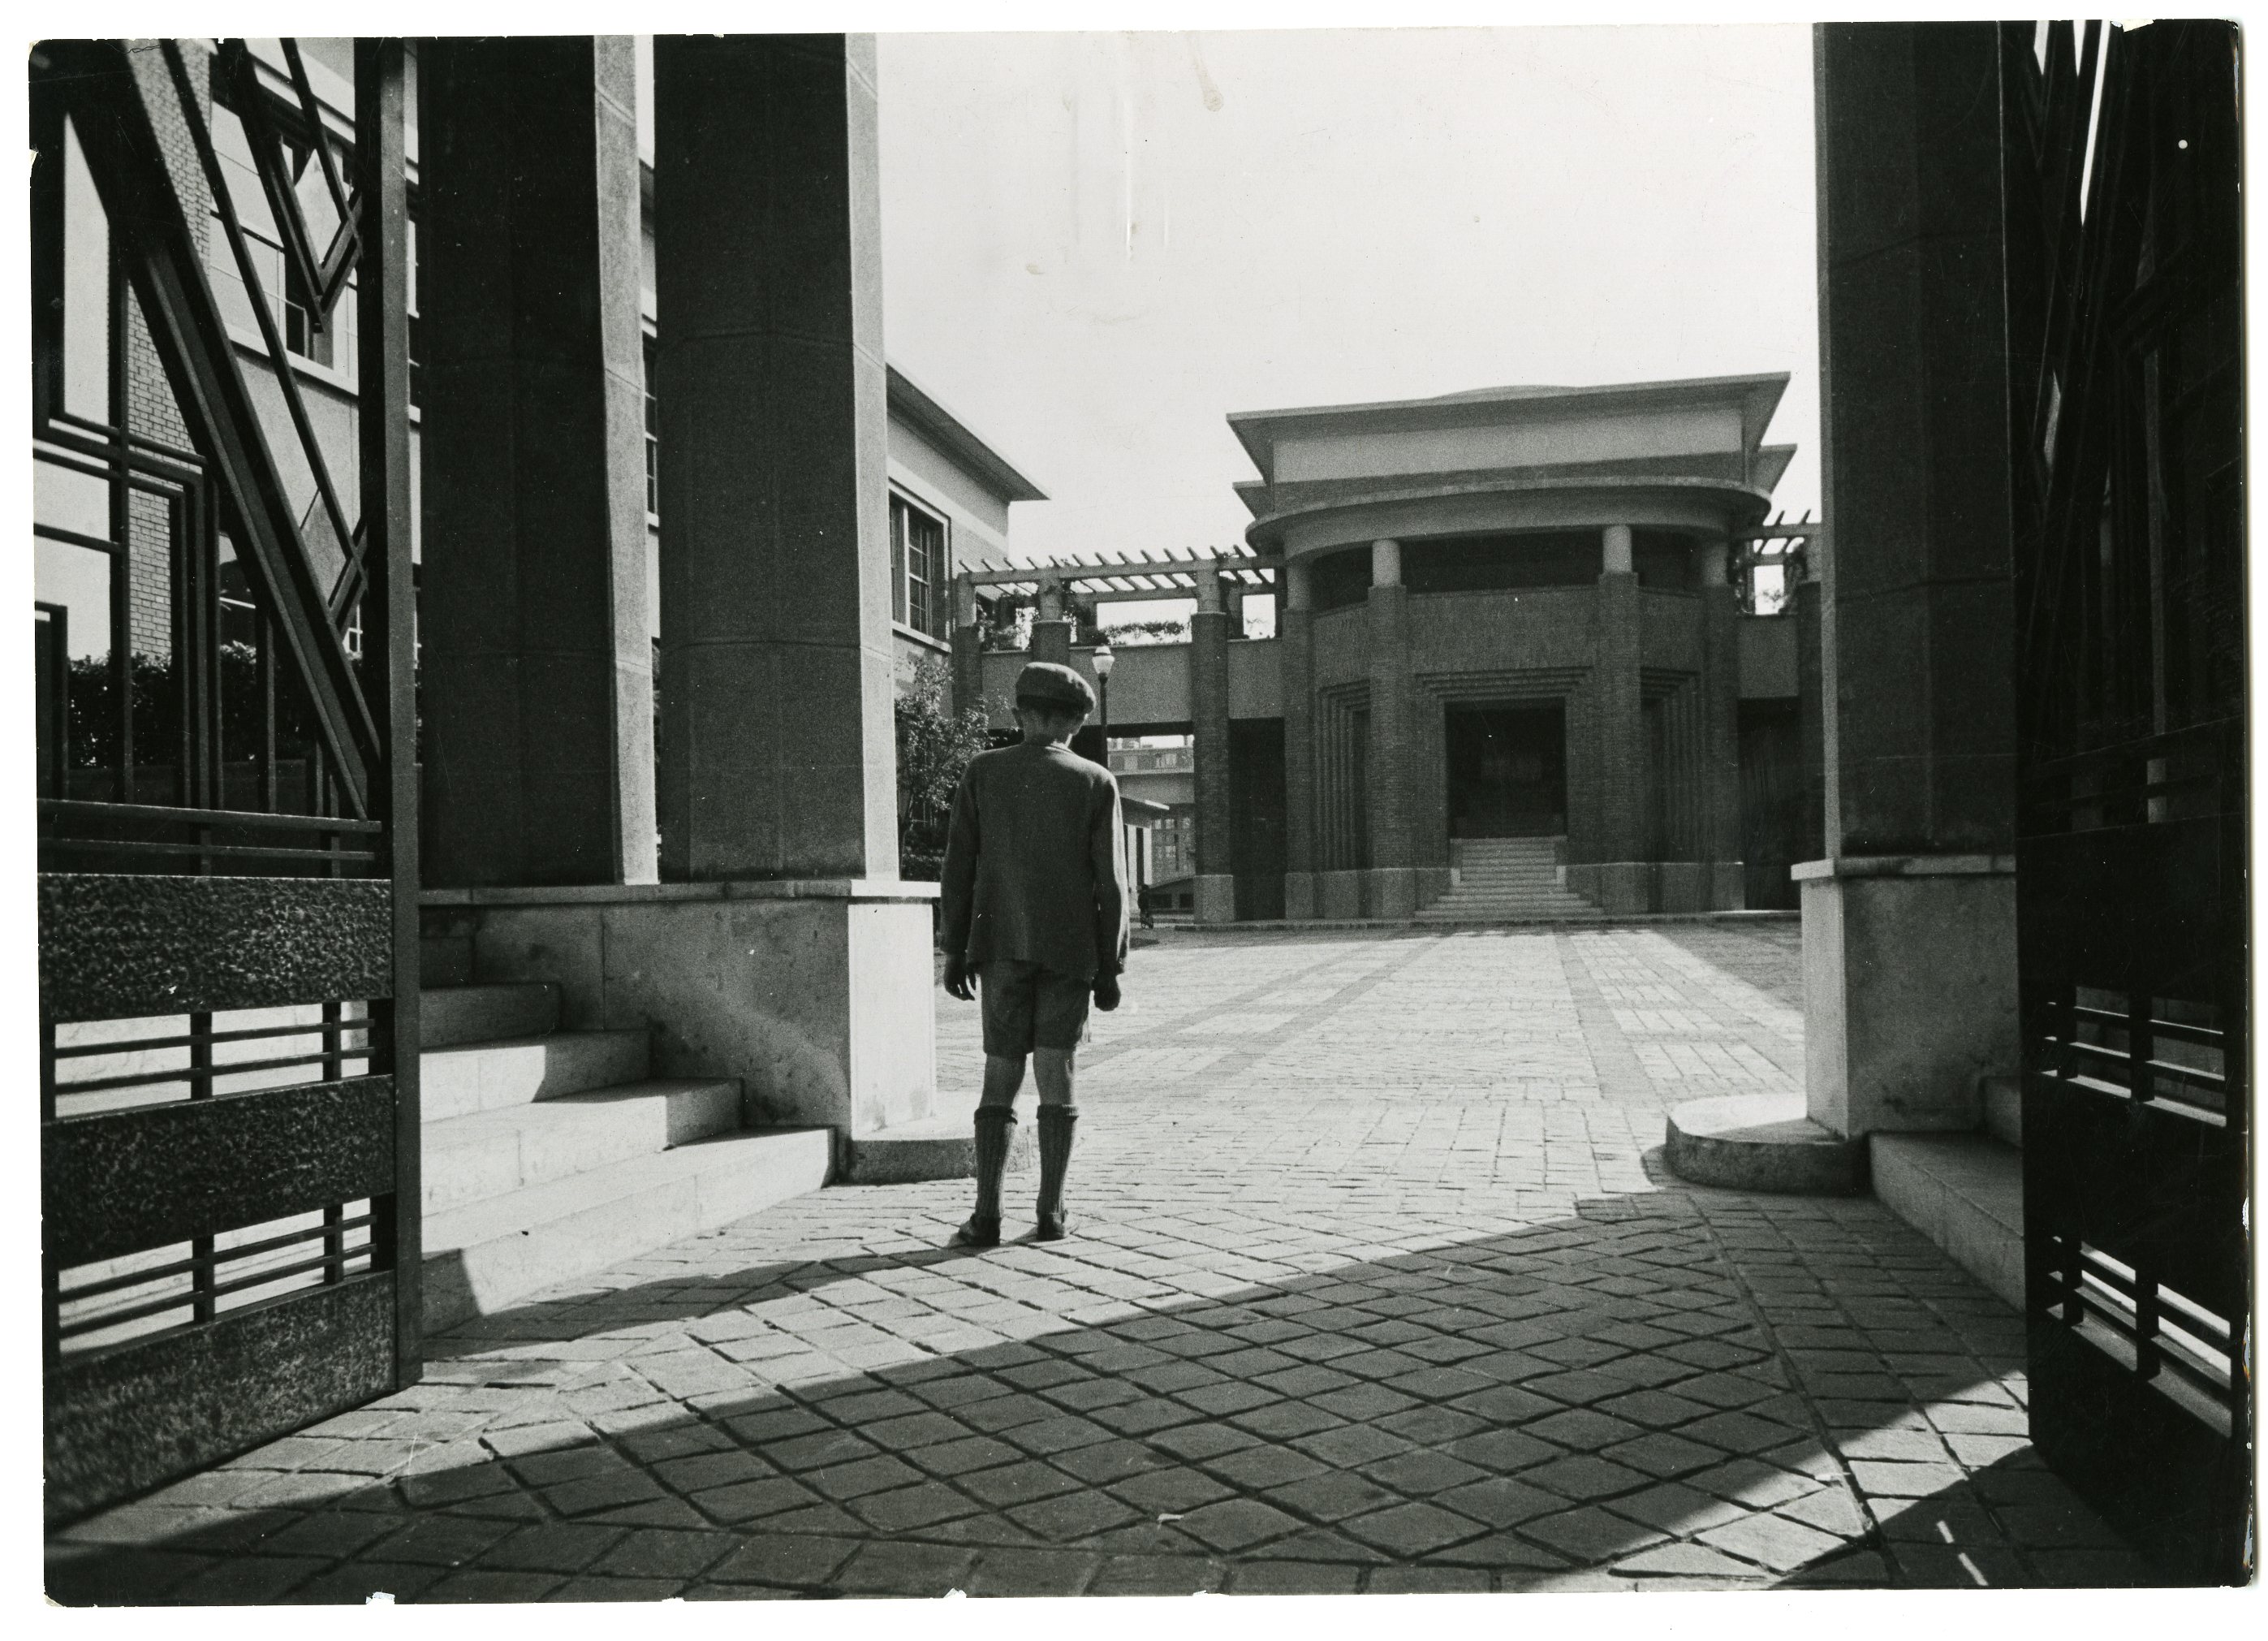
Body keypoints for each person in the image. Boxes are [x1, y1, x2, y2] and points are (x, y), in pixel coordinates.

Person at [938, 661, 1129, 1246]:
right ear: (1075, 723)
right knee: (1057, 1073)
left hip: (999, 947)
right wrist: (1110, 965)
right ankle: (1051, 1210)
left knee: (1000, 1073)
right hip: (1070, 950)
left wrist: (955, 950)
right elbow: (1111, 884)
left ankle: (986, 1214)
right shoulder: (1095, 781)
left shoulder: (983, 772)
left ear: (1019, 714)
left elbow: (959, 869)